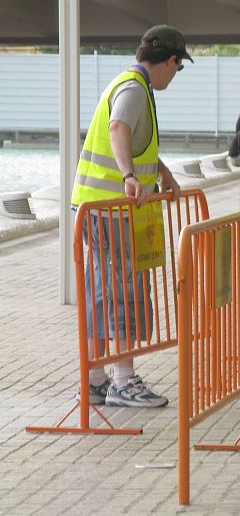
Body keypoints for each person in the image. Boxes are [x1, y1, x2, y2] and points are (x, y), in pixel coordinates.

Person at [71, 24, 190, 407]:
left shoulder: (126, 83)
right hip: (112, 209)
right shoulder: (135, 89)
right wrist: (127, 176)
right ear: (170, 61)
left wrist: (162, 174)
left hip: (96, 207)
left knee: (101, 289)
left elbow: (136, 143)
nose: (175, 74)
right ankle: (123, 380)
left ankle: (95, 379)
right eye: (178, 67)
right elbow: (119, 127)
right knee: (122, 288)